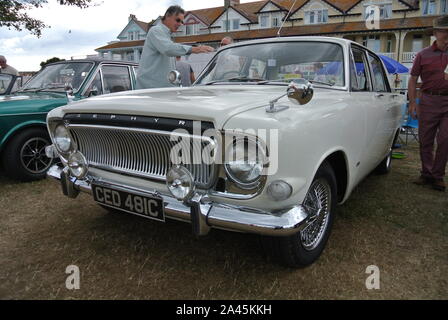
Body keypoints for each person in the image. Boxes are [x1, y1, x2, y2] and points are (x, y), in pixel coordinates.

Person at [408, 15, 448, 192]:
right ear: (435, 33)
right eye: (443, 31)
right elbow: (413, 79)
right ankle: (426, 173)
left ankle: (438, 176)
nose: (446, 35)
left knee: (445, 140)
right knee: (426, 140)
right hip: (428, 100)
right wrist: (412, 103)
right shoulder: (423, 54)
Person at [136, 5, 214, 89]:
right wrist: (195, 49)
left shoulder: (165, 35)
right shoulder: (156, 30)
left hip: (160, 89)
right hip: (151, 90)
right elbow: (168, 49)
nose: (180, 24)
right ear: (168, 16)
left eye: (182, 22)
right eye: (178, 20)